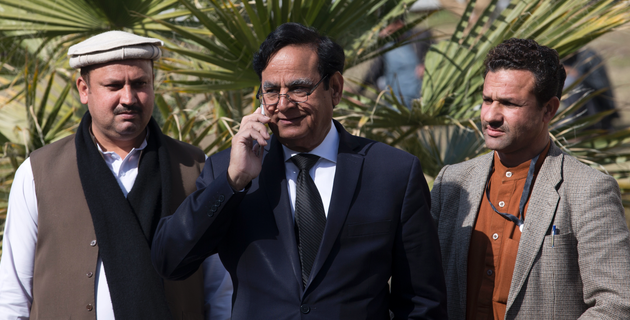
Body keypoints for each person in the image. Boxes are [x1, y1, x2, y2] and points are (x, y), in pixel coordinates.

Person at [151, 22, 447, 319]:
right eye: (271, 91)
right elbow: (170, 261)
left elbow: (421, 302)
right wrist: (233, 182)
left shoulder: (392, 172)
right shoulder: (228, 170)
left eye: (298, 88)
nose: (283, 104)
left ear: (335, 88)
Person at [0, 31, 232, 320]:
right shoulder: (38, 173)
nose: (128, 98)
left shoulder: (194, 167)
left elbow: (220, 289)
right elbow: (13, 295)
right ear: (84, 89)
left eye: (140, 84)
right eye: (114, 85)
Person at [431, 38, 630, 319]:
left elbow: (617, 303)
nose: (490, 115)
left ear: (549, 109)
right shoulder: (451, 184)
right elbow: (419, 287)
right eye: (487, 100)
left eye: (509, 103)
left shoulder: (587, 190)